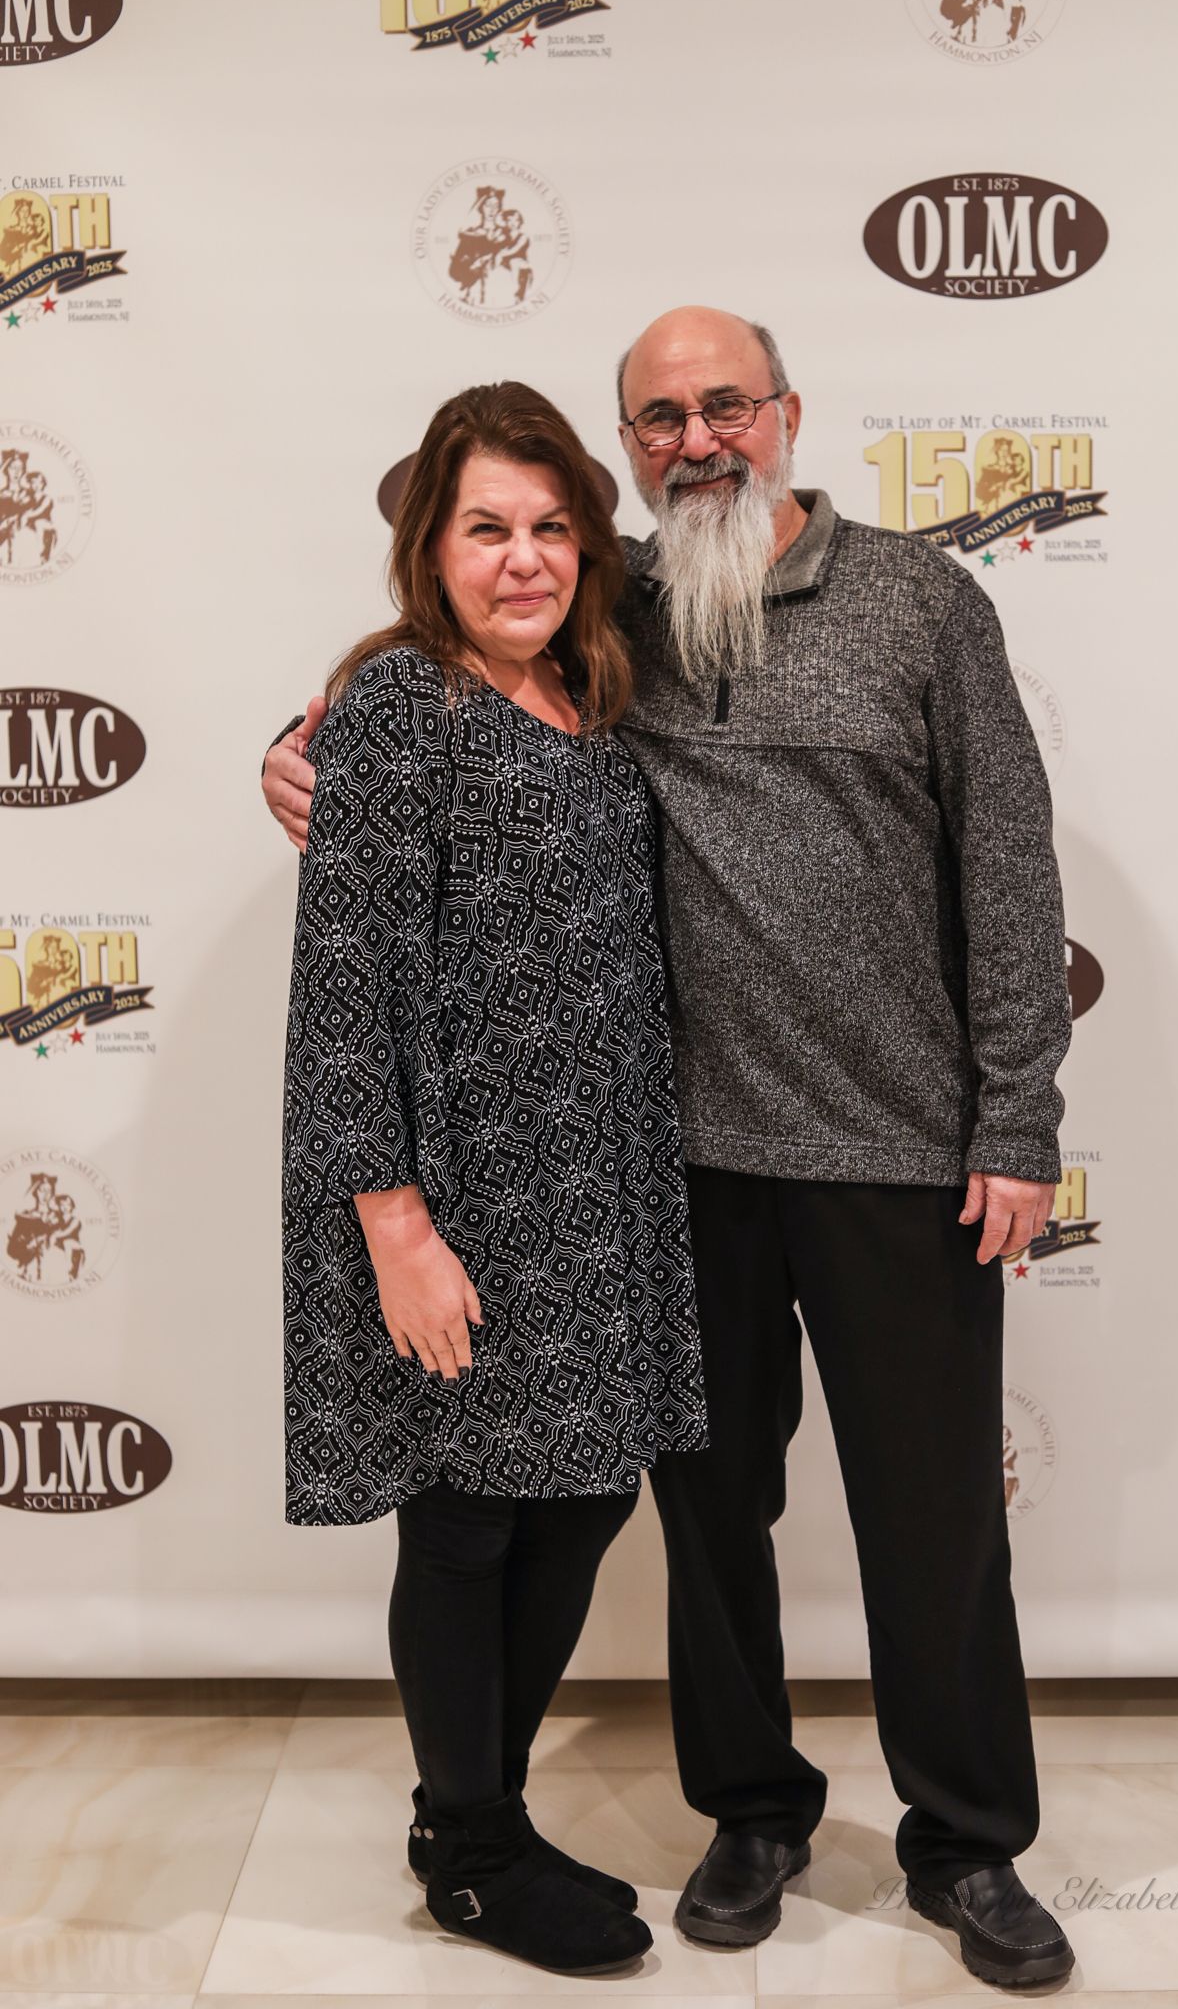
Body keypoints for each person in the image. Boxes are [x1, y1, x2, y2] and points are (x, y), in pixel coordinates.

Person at [264, 309, 1076, 1990]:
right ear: (625, 447)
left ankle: (965, 1843)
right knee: (710, 1530)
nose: (695, 440)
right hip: (677, 1165)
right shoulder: (606, 599)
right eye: (658, 418)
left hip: (900, 1151)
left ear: (786, 412)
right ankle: (752, 1812)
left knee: (934, 1520)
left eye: (724, 406)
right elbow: (426, 679)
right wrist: (298, 743)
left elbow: (1006, 863)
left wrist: (1015, 1118)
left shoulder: (920, 600)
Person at [278, 379, 706, 1977]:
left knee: (582, 1495)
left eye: (548, 526)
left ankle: (477, 1814)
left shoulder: (594, 696)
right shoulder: (399, 706)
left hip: (598, 1187)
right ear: (429, 550)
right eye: (484, 530)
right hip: (459, 1191)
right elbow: (345, 986)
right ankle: (470, 1849)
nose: (522, 558)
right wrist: (394, 1224)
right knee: (466, 1521)